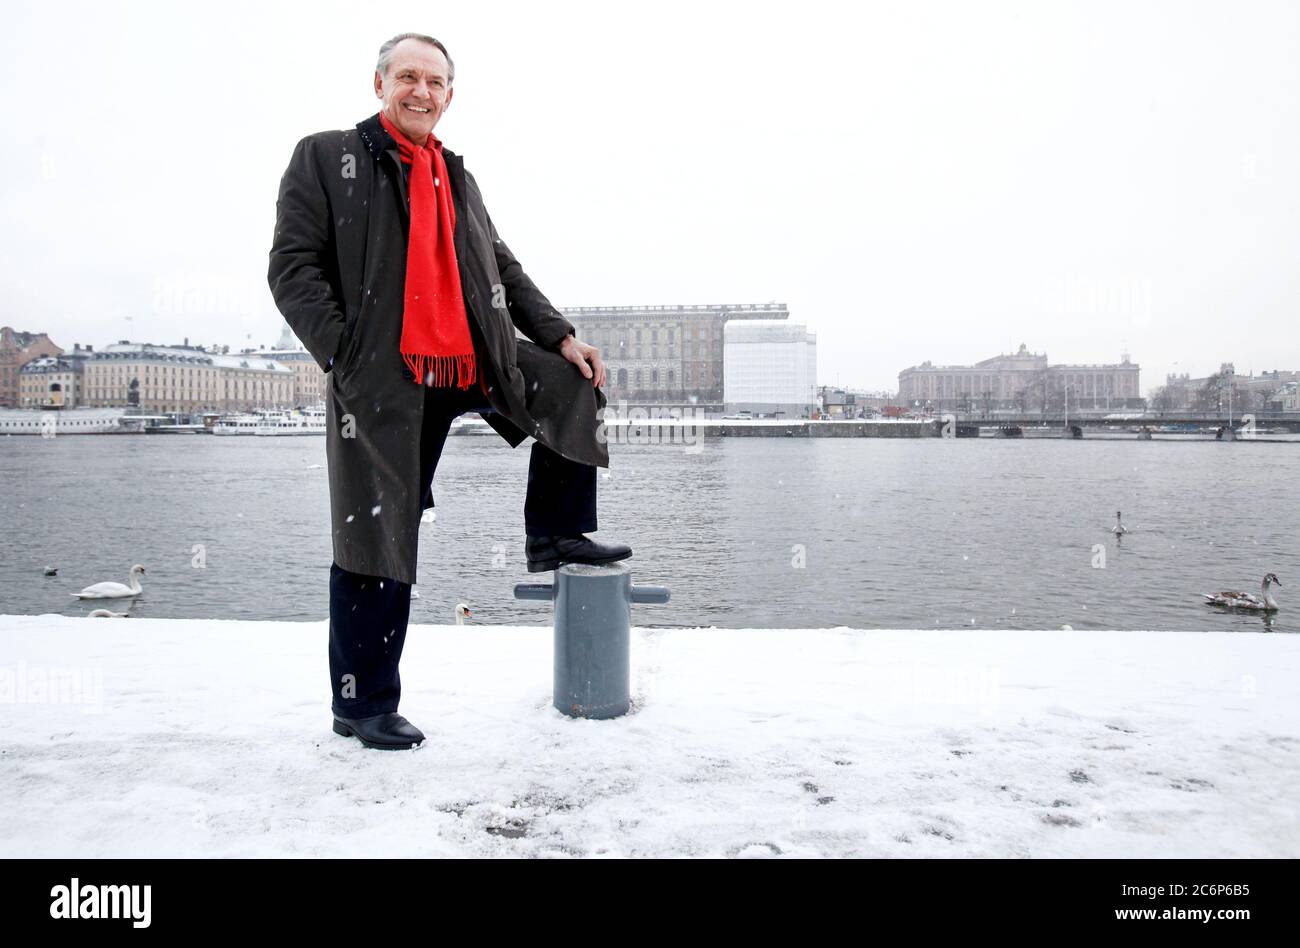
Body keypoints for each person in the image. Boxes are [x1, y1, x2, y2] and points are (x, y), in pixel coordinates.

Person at [268, 32, 631, 751]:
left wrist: (560, 336)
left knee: (572, 384)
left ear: (449, 96)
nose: (421, 93)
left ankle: (554, 531)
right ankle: (363, 703)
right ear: (380, 84)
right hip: (387, 377)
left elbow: (502, 263)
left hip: (475, 360)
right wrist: (345, 354)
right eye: (408, 78)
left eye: (435, 83)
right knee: (376, 536)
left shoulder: (457, 177)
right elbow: (291, 268)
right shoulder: (327, 156)